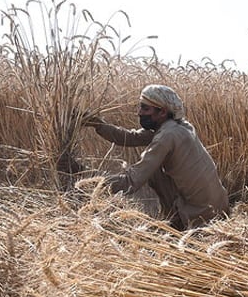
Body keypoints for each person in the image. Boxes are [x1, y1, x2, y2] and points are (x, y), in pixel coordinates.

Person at [84, 84, 230, 230]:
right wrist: (98, 124)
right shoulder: (179, 126)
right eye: (140, 107)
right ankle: (172, 218)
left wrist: (89, 183)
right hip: (220, 208)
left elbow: (132, 181)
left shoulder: (166, 136)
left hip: (201, 217)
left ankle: (174, 224)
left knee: (152, 171)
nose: (139, 113)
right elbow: (130, 137)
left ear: (162, 112)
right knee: (155, 169)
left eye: (145, 109)